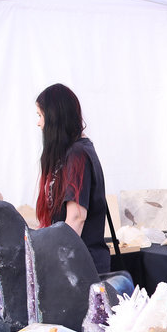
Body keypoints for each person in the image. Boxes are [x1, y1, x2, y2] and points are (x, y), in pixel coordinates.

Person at [34, 83, 110, 274]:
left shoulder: (78, 154)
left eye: (40, 115)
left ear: (54, 117)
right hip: (76, 265)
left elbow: (76, 217)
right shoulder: (74, 152)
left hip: (80, 268)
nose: (39, 123)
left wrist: (57, 263)